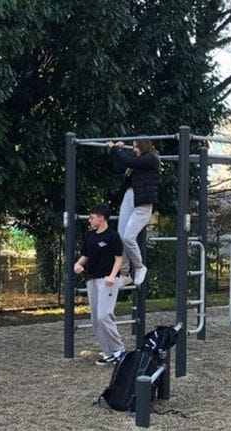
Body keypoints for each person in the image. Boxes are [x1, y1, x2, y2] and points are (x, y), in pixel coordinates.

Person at [73, 203, 126, 366]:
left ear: (101, 218)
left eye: (92, 217)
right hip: (92, 278)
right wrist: (78, 264)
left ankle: (119, 349)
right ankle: (109, 352)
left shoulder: (113, 236)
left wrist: (112, 276)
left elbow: (119, 258)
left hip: (107, 280)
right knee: (96, 319)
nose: (90, 220)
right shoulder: (89, 235)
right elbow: (85, 254)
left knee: (104, 315)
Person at [107, 138, 159, 287]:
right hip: (129, 197)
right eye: (133, 147)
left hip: (143, 202)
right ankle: (124, 273)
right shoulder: (135, 162)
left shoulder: (151, 159)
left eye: (136, 147)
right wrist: (115, 151)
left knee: (128, 237)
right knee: (120, 236)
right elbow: (118, 167)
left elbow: (129, 161)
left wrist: (116, 149)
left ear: (144, 146)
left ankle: (139, 266)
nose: (134, 149)